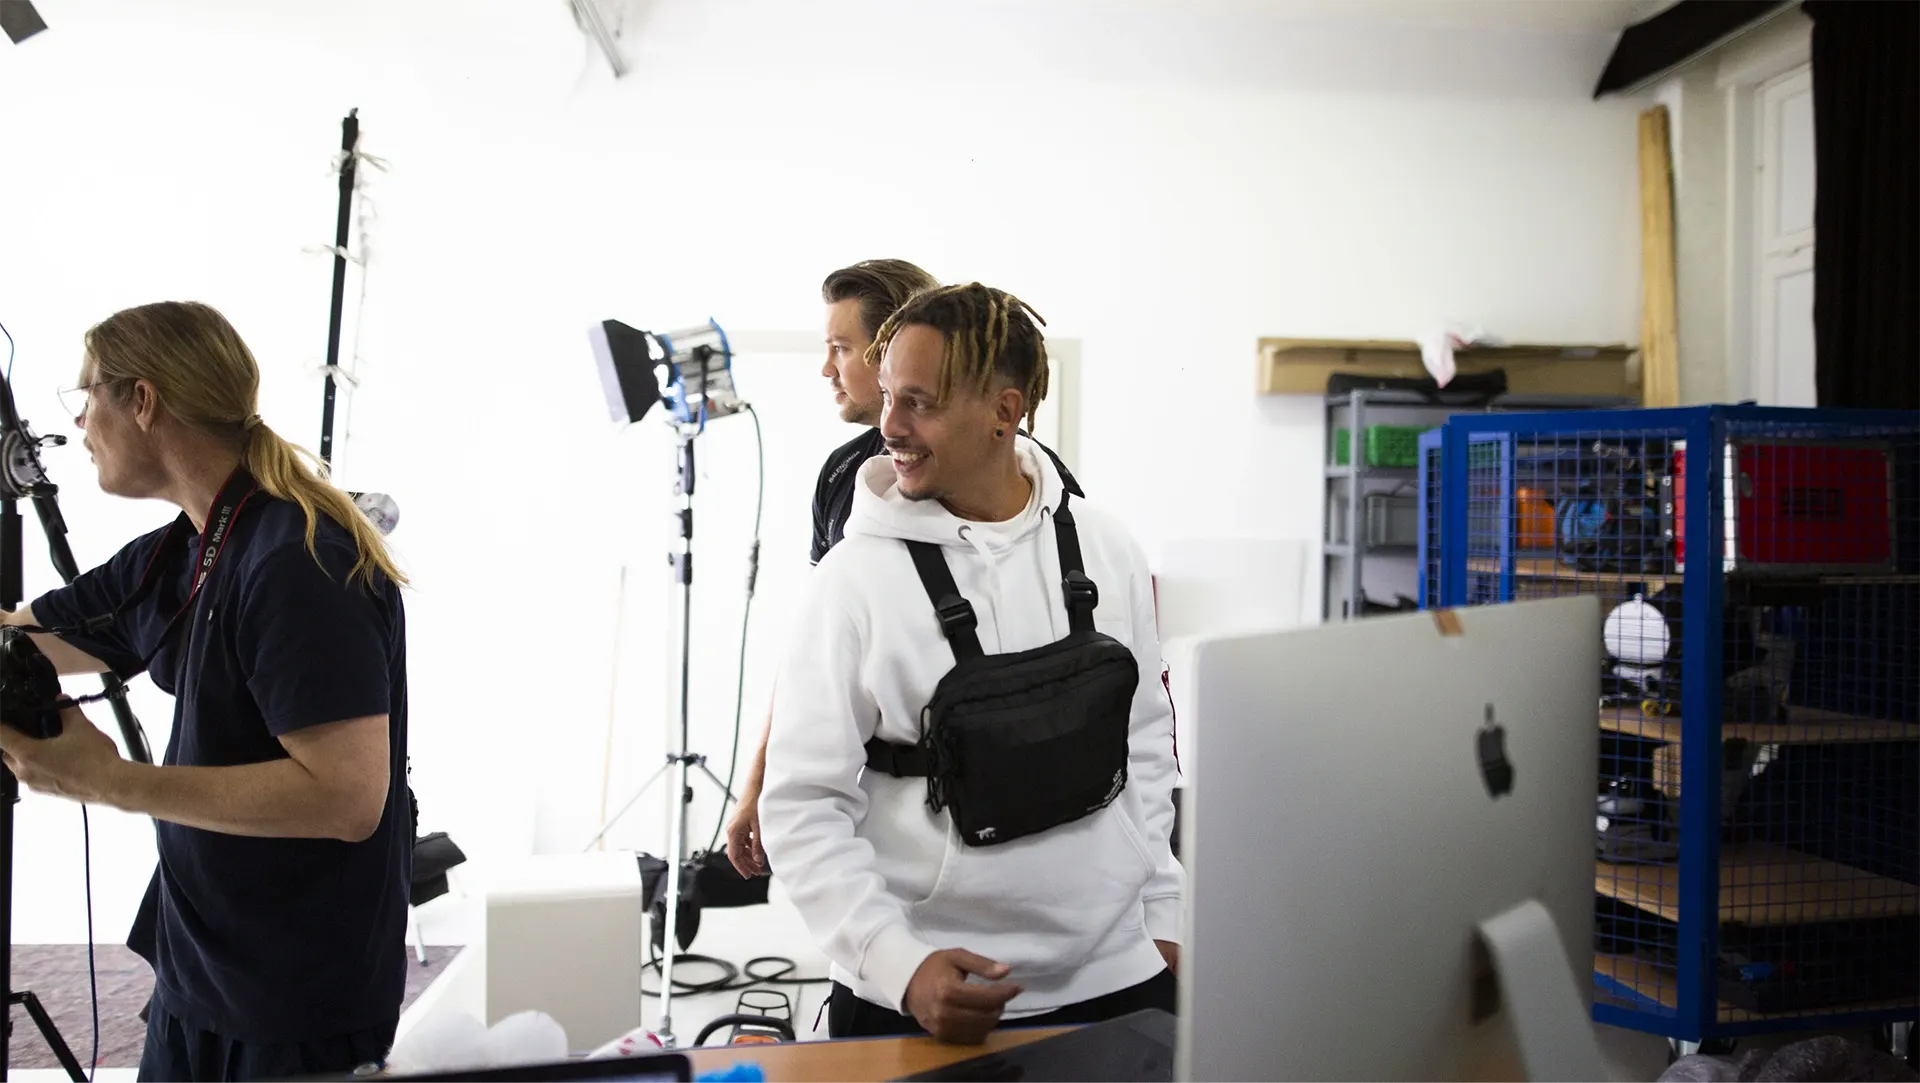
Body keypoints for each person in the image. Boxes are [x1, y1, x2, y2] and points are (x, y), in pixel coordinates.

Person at [757, 283, 1182, 1043]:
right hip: (924, 996)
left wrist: (1165, 915)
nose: (889, 425)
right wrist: (900, 966)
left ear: (1005, 411)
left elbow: (1145, 743)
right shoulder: (851, 584)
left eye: (918, 401)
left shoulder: (1107, 546)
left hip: (1120, 975)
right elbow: (800, 806)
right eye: (887, 395)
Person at [0, 301, 411, 1082]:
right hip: (200, 966)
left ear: (143, 401)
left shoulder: (297, 559)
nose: (80, 426)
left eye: (88, 398)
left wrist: (113, 782)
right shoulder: (183, 548)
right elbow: (28, 638)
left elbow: (348, 796)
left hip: (292, 993)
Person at [722, 260, 1082, 877]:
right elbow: (816, 655)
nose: (827, 368)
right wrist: (763, 778)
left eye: (842, 348)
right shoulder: (842, 480)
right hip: (884, 823)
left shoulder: (1042, 492)